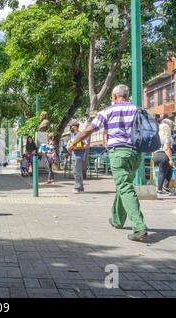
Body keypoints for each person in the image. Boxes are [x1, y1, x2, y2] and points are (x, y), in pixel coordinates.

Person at [68, 84, 148, 241]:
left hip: (119, 153)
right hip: (136, 154)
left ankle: (139, 226)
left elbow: (89, 130)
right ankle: (117, 220)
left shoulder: (108, 111)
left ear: (115, 96)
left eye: (112, 96)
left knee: (124, 187)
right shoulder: (138, 110)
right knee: (124, 185)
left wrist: (73, 143)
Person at [153, 119, 174, 196]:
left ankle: (164, 188)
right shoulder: (167, 137)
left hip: (156, 155)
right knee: (162, 172)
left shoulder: (157, 137)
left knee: (168, 170)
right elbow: (166, 148)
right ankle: (160, 190)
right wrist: (170, 159)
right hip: (163, 155)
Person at [67, 121, 88, 193]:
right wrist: (69, 149)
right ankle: (81, 188)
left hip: (79, 156)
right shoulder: (72, 135)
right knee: (76, 172)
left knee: (77, 172)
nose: (71, 128)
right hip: (73, 156)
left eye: (72, 126)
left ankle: (77, 188)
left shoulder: (81, 135)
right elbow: (71, 145)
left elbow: (86, 146)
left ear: (75, 127)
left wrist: (76, 148)